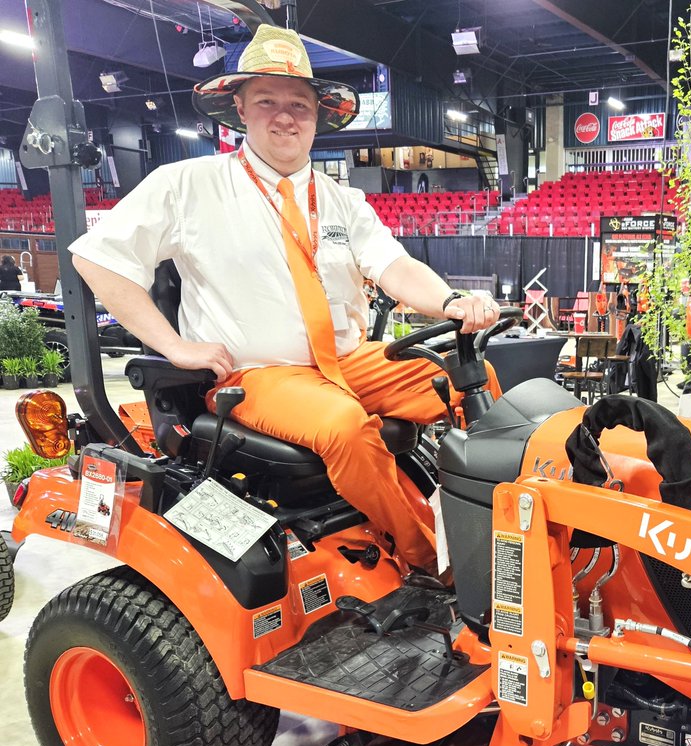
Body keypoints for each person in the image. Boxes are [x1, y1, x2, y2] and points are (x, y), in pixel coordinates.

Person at [69, 24, 500, 573]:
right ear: (240, 109)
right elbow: (96, 259)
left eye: (299, 103)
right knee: (345, 427)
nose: (285, 115)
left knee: (474, 377)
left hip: (346, 361)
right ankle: (433, 561)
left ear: (318, 116)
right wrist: (174, 346)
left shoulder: (343, 201)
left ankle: (501, 527)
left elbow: (395, 267)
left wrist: (450, 303)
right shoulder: (187, 184)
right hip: (261, 375)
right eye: (267, 101)